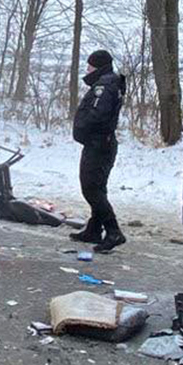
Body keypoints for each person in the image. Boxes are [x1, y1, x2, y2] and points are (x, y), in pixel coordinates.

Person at [71, 48, 127, 253]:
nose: (87, 69)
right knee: (97, 187)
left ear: (98, 66)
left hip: (98, 144)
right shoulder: (112, 82)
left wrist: (83, 126)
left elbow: (98, 114)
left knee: (91, 188)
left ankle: (113, 231)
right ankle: (94, 229)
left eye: (90, 66)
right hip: (102, 143)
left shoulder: (104, 86)